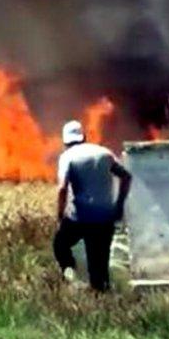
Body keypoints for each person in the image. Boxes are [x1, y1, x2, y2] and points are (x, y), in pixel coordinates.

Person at [53, 119, 132, 292]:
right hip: (105, 218)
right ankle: (103, 298)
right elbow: (126, 176)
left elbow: (62, 188)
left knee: (60, 244)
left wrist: (60, 216)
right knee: (99, 266)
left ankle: (70, 273)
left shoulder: (68, 157)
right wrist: (119, 205)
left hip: (80, 218)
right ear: (84, 137)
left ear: (65, 141)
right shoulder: (104, 153)